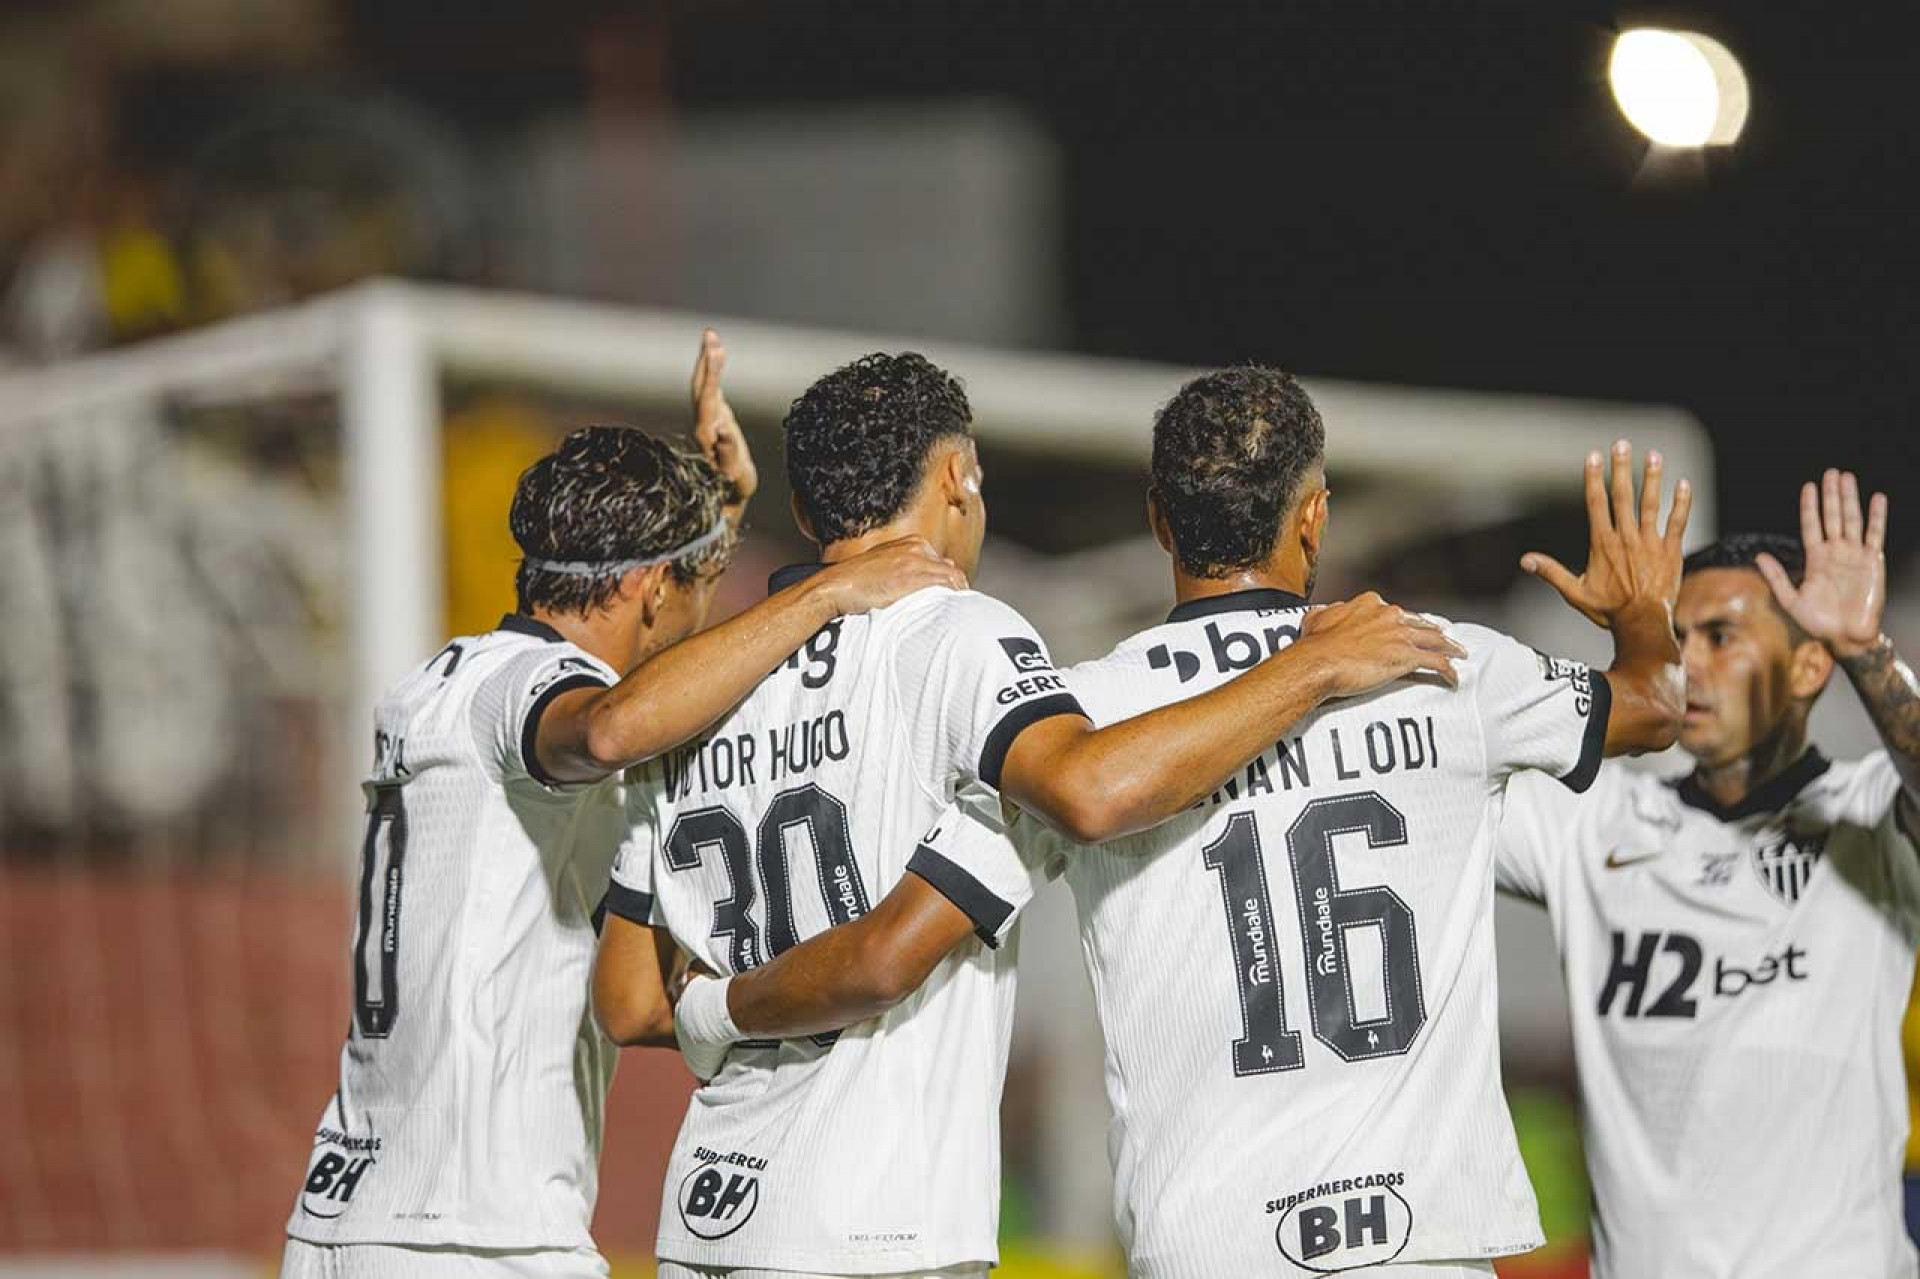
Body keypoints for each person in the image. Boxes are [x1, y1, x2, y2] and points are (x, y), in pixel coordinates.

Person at [666, 368, 1692, 1278]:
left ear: (1159, 522)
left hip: (1208, 1245)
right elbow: (1652, 706)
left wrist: (714, 1006)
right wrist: (1641, 612)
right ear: (1315, 518)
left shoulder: (1076, 723)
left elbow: (892, 945)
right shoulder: (1439, 663)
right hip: (1424, 1242)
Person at [280, 332, 967, 1279]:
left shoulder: (436, 684)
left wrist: (720, 510)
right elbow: (608, 728)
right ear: (648, 590)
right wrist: (829, 593)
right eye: (698, 585)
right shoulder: (530, 695)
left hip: (346, 1215)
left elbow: (645, 698)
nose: (704, 608)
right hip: (471, 1232)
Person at [1495, 470, 1920, 1279]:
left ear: (1809, 666)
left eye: (1722, 637)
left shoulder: (1868, 814)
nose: (1689, 663)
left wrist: (1868, 650)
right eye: (1678, 637)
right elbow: (1439, 778)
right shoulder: (1595, 823)